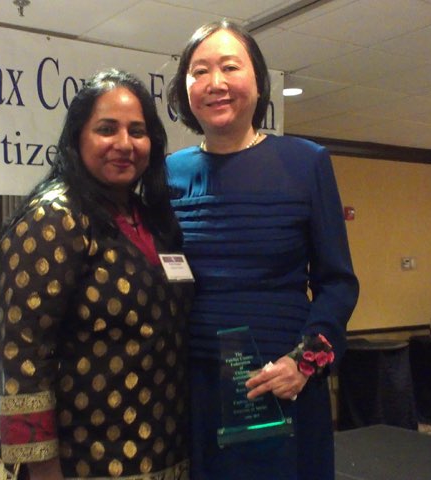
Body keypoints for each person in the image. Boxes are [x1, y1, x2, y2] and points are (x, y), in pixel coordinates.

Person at [166, 20, 359, 480]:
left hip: (283, 383)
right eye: (199, 71)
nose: (215, 83)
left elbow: (337, 283)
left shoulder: (305, 162)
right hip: (197, 386)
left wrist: (304, 361)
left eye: (229, 67)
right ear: (185, 89)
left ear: (258, 80)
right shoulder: (170, 173)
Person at [0, 69, 193, 480]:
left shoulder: (150, 218)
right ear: (77, 139)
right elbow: (21, 358)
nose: (124, 144)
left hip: (161, 454)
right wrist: (43, 468)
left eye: (137, 131)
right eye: (106, 129)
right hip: (76, 464)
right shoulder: (54, 216)